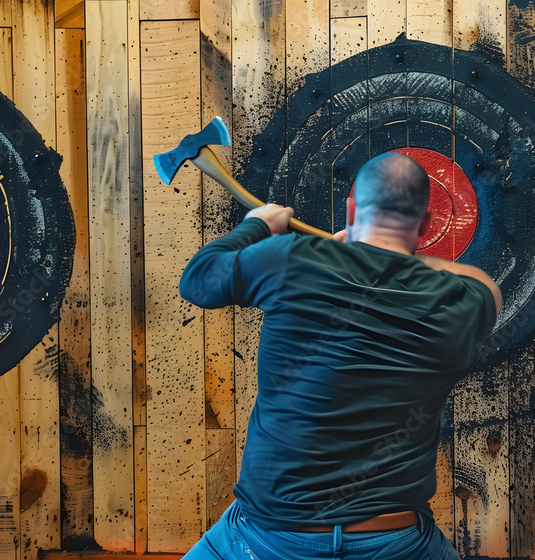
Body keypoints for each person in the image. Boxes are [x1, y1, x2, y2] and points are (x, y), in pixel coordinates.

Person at [178, 152, 501, 559]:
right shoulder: (463, 300)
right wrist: (386, 260)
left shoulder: (288, 258)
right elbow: (482, 282)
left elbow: (198, 279)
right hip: (395, 542)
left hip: (270, 537)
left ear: (350, 209)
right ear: (425, 225)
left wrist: (258, 225)